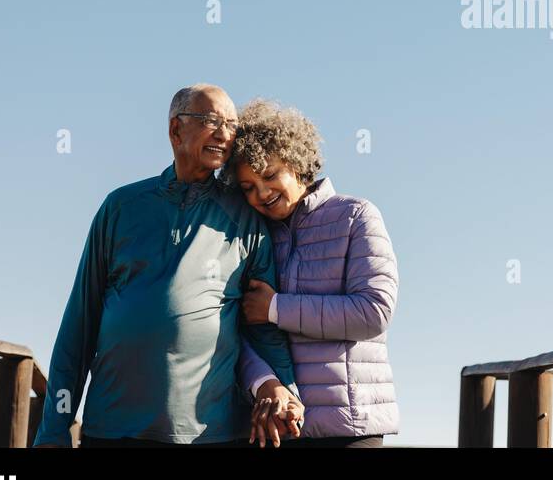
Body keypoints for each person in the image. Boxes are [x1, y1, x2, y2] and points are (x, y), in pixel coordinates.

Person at [34, 84, 303, 447]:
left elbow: (262, 332)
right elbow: (77, 330)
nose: (224, 134)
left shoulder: (246, 219)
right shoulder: (121, 207)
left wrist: (286, 393)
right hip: (111, 431)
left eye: (232, 124)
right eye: (211, 121)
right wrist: (52, 432)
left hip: (210, 435)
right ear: (176, 129)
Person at [232, 99, 399, 447]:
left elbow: (374, 311)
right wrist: (264, 382)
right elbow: (235, 330)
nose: (261, 193)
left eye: (269, 175)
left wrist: (275, 308)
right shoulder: (249, 235)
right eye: (247, 187)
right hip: (275, 427)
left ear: (296, 162)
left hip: (348, 427)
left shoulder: (356, 216)